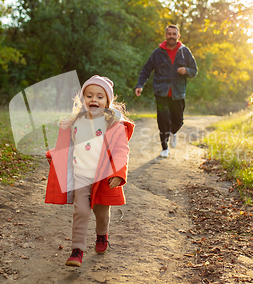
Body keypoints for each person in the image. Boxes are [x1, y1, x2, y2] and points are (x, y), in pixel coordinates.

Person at [45, 75, 134, 267]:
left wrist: (119, 173)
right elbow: (67, 146)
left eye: (100, 97)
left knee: (101, 213)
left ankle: (102, 235)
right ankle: (77, 250)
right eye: (89, 95)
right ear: (83, 99)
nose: (94, 99)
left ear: (108, 101)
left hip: (103, 177)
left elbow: (121, 151)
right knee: (81, 211)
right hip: (81, 175)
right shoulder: (75, 122)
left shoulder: (113, 126)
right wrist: (55, 155)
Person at [135, 24, 197, 158]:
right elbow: (146, 70)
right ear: (166, 35)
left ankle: (173, 132)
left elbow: (194, 70)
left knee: (178, 120)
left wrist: (186, 70)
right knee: (163, 120)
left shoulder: (184, 52)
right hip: (161, 92)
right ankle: (164, 147)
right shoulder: (158, 53)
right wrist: (140, 85)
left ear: (178, 36)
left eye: (174, 34)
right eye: (169, 34)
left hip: (178, 92)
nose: (172, 37)